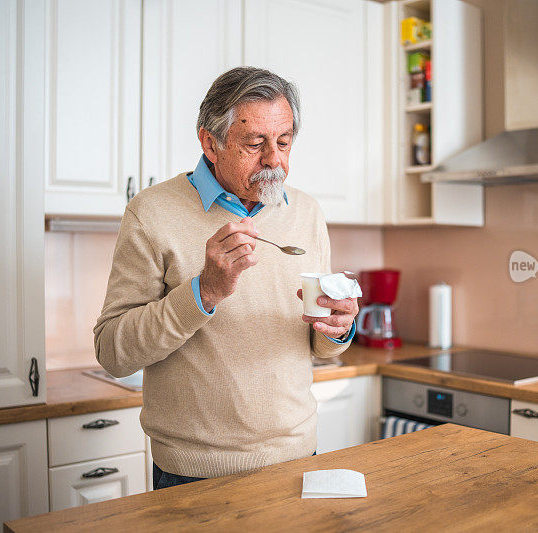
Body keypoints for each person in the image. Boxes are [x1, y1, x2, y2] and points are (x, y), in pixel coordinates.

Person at [93, 67, 358, 490]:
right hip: (192, 471)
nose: (274, 159)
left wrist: (339, 328)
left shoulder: (307, 213)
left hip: (297, 458)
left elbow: (320, 347)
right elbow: (112, 352)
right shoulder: (151, 213)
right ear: (210, 143)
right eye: (255, 143)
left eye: (284, 142)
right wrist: (204, 292)